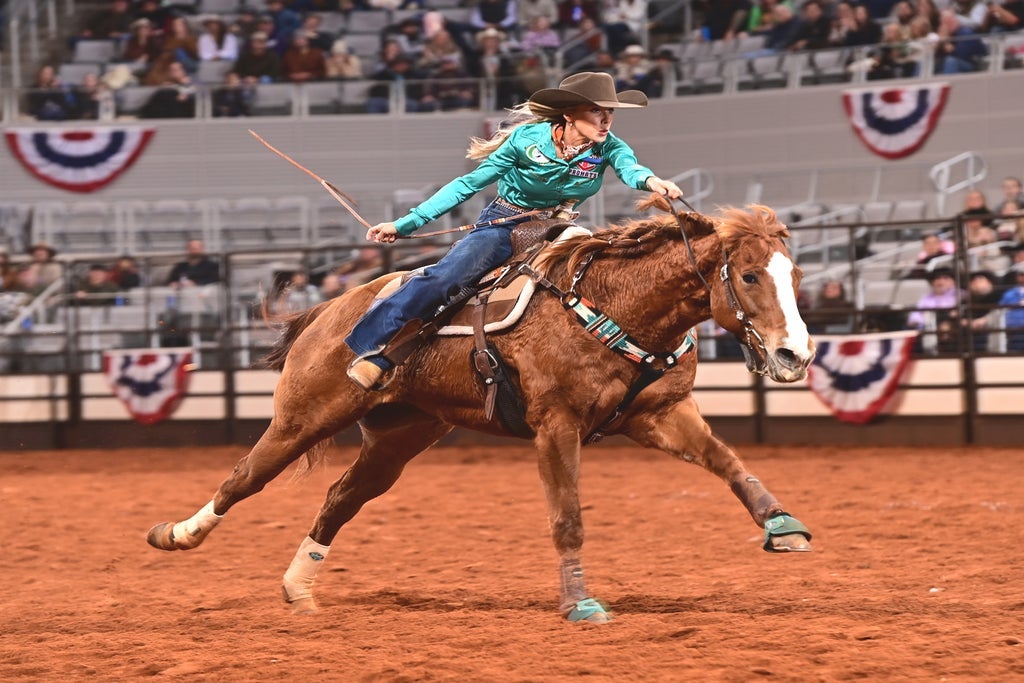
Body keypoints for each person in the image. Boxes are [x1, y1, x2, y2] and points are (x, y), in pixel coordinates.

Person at [344, 72, 684, 390]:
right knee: (446, 277)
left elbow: (631, 169)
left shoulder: (609, 146)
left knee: (599, 277)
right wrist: (405, 224)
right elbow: (468, 184)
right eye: (596, 111)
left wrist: (653, 182)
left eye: (610, 112)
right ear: (568, 114)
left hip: (560, 226)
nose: (606, 120)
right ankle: (370, 347)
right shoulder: (525, 140)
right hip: (507, 221)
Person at [963, 270, 1002, 351]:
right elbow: (961, 316)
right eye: (973, 280)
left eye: (980, 279)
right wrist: (965, 321)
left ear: (990, 282)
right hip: (968, 332)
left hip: (989, 331)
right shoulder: (966, 301)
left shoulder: (998, 296)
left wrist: (984, 320)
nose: (976, 282)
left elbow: (1000, 312)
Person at [998, 266, 1024, 350]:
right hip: (1014, 331)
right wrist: (1017, 304)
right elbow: (1000, 310)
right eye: (1021, 275)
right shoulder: (1009, 294)